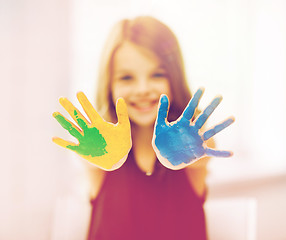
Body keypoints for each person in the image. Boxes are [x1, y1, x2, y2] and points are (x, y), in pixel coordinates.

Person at [53, 16, 234, 240]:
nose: (142, 89)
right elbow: (87, 162)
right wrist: (101, 155)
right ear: (109, 84)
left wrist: (185, 150)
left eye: (157, 74)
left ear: (174, 77)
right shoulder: (100, 156)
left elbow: (205, 152)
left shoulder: (192, 149)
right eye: (126, 77)